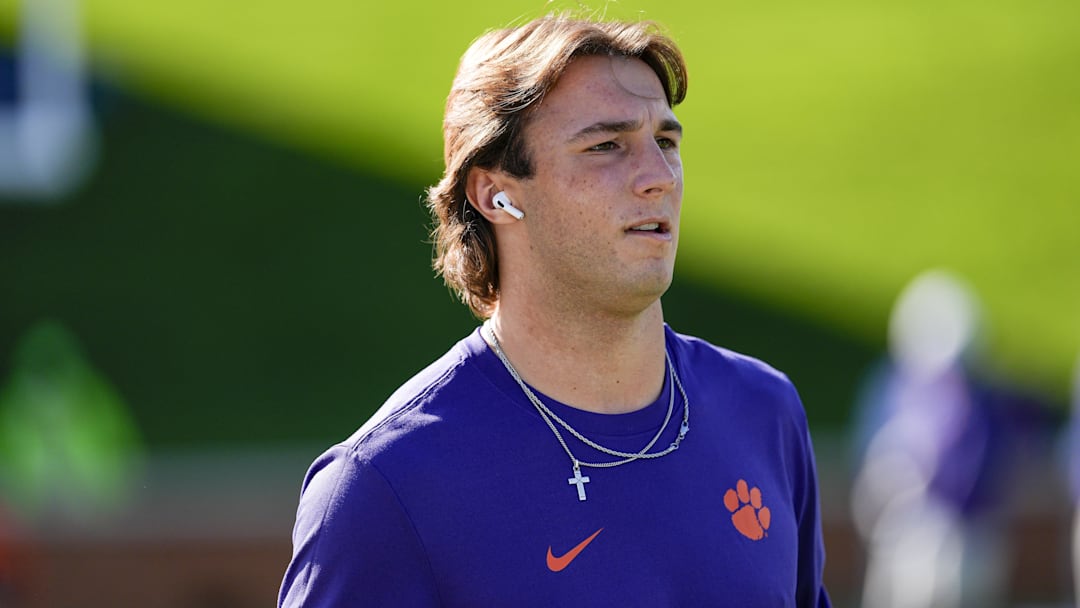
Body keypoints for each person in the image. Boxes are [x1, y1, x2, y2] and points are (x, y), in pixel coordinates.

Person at [279, 14, 831, 607]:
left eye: (666, 143)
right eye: (606, 146)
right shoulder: (386, 488)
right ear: (496, 195)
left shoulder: (764, 412)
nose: (658, 177)